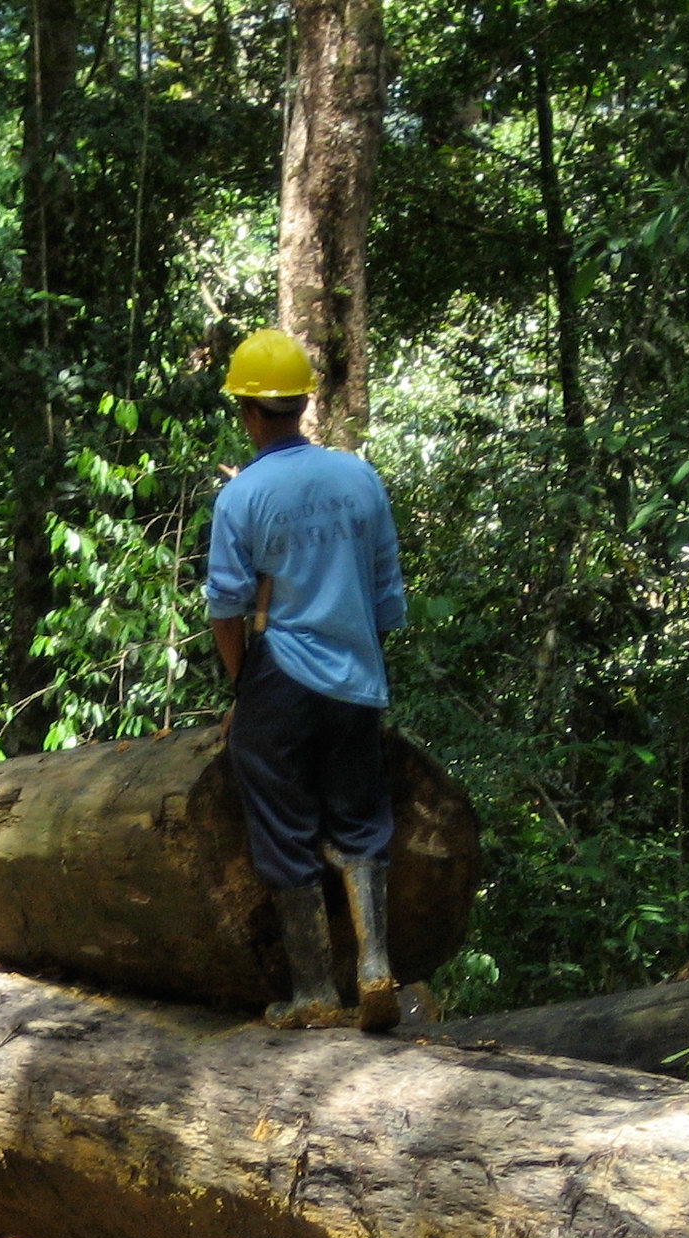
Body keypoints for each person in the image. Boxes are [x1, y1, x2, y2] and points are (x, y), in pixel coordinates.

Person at [206, 329, 407, 1031]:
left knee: (284, 823)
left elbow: (227, 609)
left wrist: (245, 692)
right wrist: (362, 665)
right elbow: (386, 598)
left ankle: (316, 992)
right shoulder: (359, 477)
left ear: (250, 413)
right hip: (357, 675)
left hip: (282, 675)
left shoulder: (244, 495)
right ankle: (377, 967)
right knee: (360, 818)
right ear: (301, 405)